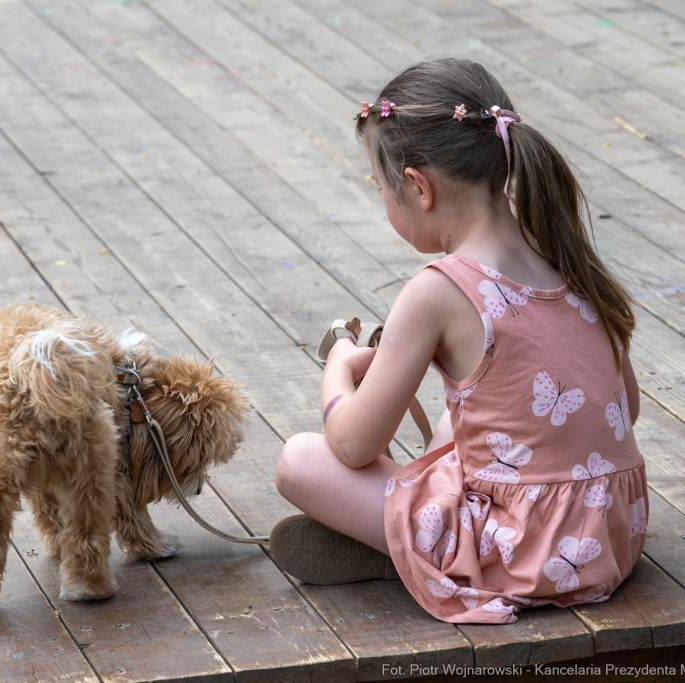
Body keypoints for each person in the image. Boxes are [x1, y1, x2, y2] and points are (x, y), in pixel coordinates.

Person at [270, 58, 646, 624]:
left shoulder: (438, 290)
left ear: (418, 187)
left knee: (300, 460)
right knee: (453, 427)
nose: (383, 198)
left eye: (381, 188)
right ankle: (413, 540)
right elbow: (626, 409)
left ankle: (416, 555)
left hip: (521, 554)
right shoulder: (565, 254)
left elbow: (352, 446)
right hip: (609, 535)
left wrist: (340, 368)